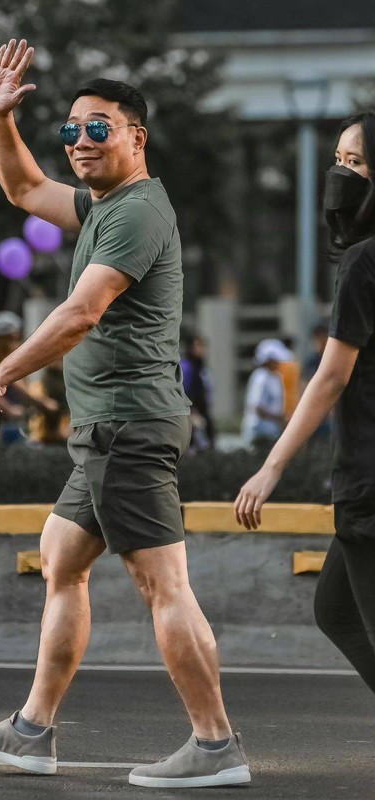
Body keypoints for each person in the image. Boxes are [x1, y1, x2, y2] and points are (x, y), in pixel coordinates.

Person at [0, 38, 250, 789]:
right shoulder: (101, 206)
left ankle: (215, 745)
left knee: (163, 586)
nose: (80, 141)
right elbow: (23, 189)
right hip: (105, 431)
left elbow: (83, 311)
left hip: (128, 426)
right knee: (62, 559)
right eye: (71, 130)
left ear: (135, 136)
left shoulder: (136, 213)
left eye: (99, 128)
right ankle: (31, 731)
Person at [235, 110, 375, 695]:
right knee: (335, 611)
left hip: (370, 482)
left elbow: (330, 377)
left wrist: (271, 467)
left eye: (356, 163)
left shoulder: (365, 261)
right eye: (338, 161)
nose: (339, 175)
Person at [241, 338, 292, 448]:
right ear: (268, 361)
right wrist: (280, 418)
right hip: (259, 434)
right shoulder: (261, 377)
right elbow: (258, 408)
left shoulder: (275, 377)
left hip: (272, 433)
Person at [180, 334, 215, 451]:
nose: (201, 349)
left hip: (204, 415)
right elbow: (184, 393)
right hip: (192, 418)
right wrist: (192, 414)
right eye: (198, 345)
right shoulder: (186, 367)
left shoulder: (202, 368)